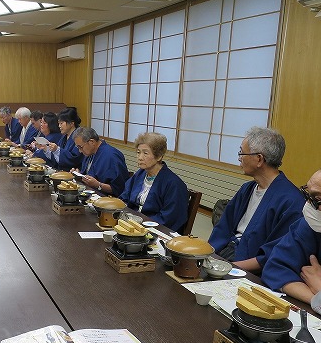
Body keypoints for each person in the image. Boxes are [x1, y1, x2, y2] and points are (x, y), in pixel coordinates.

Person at [208, 127, 303, 273]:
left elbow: (275, 253)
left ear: (259, 159)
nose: (239, 157)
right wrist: (208, 255)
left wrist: (231, 268)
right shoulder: (247, 188)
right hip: (224, 255)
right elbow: (223, 228)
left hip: (248, 267)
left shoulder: (291, 201)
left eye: (242, 152)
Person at [262, 170, 321, 308]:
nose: (308, 205)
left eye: (317, 199)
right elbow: (274, 269)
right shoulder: (309, 226)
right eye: (308, 195)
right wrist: (316, 300)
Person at [119, 132, 188, 232]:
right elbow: (124, 198)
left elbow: (169, 219)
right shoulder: (140, 174)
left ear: (159, 156)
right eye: (138, 152)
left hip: (154, 230)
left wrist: (140, 224)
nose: (140, 157)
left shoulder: (174, 184)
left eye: (145, 153)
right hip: (132, 224)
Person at [71, 127, 129, 197]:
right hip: (90, 194)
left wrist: (98, 185)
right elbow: (88, 173)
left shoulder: (111, 156)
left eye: (80, 147)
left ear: (91, 142)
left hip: (107, 199)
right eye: (78, 148)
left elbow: (120, 189)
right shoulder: (90, 153)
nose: (80, 151)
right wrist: (78, 174)